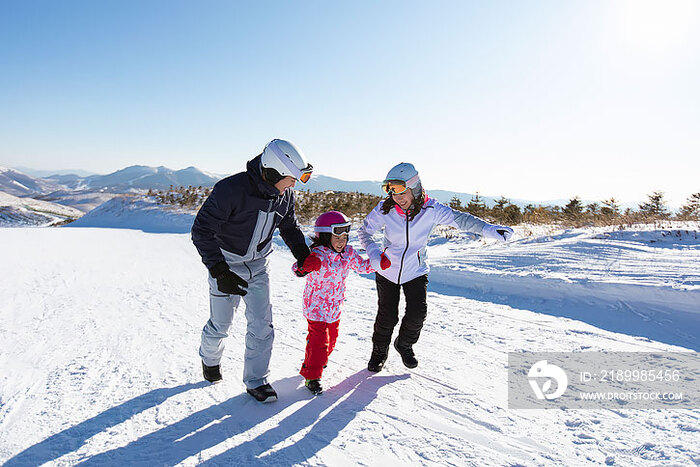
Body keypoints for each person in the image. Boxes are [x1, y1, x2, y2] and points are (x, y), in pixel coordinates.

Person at [358, 162, 513, 372]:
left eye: (400, 189)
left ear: (414, 187)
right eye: (390, 190)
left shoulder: (432, 209)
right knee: (387, 316)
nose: (396, 196)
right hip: (387, 269)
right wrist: (375, 255)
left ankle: (404, 344)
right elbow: (364, 233)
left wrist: (489, 230)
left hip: (416, 269)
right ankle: (379, 352)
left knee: (417, 313)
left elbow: (461, 220)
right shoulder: (384, 209)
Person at [191, 139, 313, 402]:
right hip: (227, 265)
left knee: (262, 326)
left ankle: (257, 381)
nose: (294, 184)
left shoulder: (285, 195)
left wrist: (303, 254)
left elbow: (289, 227)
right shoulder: (231, 190)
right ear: (274, 172)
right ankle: (209, 359)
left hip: (259, 267)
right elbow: (201, 231)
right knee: (220, 325)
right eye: (292, 178)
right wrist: (220, 271)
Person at [292, 211, 385, 394]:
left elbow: (362, 266)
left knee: (331, 340)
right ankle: (312, 375)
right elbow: (298, 268)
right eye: (337, 237)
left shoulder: (348, 253)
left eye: (344, 237)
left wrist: (379, 262)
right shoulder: (317, 255)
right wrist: (305, 267)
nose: (342, 241)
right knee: (319, 342)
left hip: (335, 308)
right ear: (325, 237)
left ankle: (316, 362)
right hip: (316, 307)